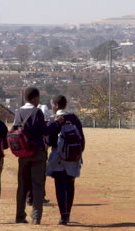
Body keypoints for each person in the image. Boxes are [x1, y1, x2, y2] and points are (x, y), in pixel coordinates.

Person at [15, 87, 61, 225]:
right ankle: (36, 217)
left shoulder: (18, 112)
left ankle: (19, 216)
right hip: (37, 152)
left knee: (22, 185)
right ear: (35, 98)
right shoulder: (37, 112)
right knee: (38, 185)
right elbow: (45, 131)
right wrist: (56, 123)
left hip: (22, 153)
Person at [46, 95, 85, 225]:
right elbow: (82, 139)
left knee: (59, 185)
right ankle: (68, 214)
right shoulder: (74, 118)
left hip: (58, 156)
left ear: (56, 105)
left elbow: (50, 140)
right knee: (70, 184)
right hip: (73, 156)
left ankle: (63, 216)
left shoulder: (55, 119)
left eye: (52, 104)